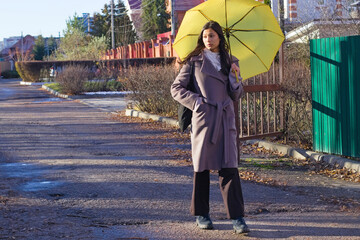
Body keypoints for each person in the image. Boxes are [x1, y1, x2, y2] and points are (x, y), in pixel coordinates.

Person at [170, 21, 249, 234]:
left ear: (220, 38)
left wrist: (235, 78)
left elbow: (236, 94)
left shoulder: (231, 61)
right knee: (202, 168)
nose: (208, 39)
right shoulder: (194, 62)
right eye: (205, 36)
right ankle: (202, 214)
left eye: (212, 35)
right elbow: (176, 88)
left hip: (225, 119)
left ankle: (238, 218)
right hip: (205, 120)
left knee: (230, 168)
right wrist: (197, 102)